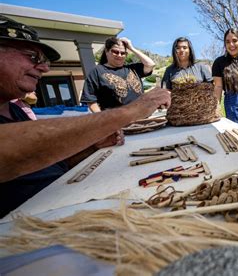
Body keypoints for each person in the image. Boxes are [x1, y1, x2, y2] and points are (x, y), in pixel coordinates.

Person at [0, 15, 171, 217]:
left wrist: (90, 147)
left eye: (44, 60)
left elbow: (39, 165)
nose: (45, 68)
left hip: (61, 203)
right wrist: (131, 111)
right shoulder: (97, 72)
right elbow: (8, 151)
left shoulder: (15, 111)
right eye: (32, 56)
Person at [81, 36, 155, 112]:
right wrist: (102, 119)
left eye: (123, 53)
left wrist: (131, 48)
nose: (119, 55)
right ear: (107, 51)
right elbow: (91, 100)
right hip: (117, 120)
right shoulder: (97, 71)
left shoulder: (132, 68)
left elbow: (150, 64)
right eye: (115, 52)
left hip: (141, 116)